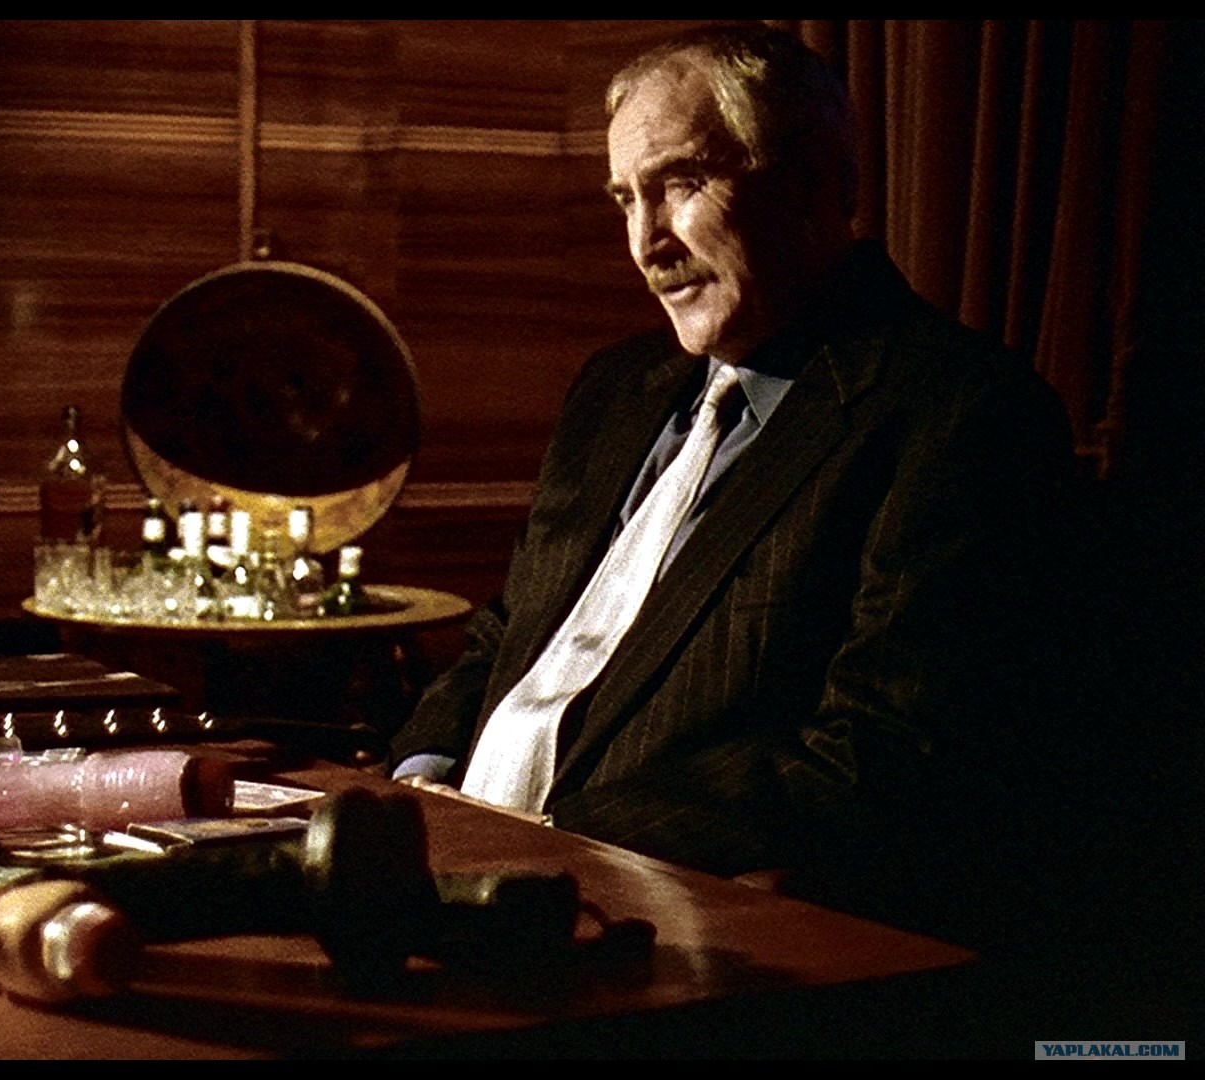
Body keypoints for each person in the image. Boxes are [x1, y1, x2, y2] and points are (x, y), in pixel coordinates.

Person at [389, 23, 1075, 939]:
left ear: (817, 183)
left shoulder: (958, 412)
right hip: (446, 876)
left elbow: (879, 750)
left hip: (651, 920)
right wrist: (422, 777)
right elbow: (512, 632)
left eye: (681, 184)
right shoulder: (615, 388)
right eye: (625, 198)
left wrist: (552, 841)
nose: (646, 243)